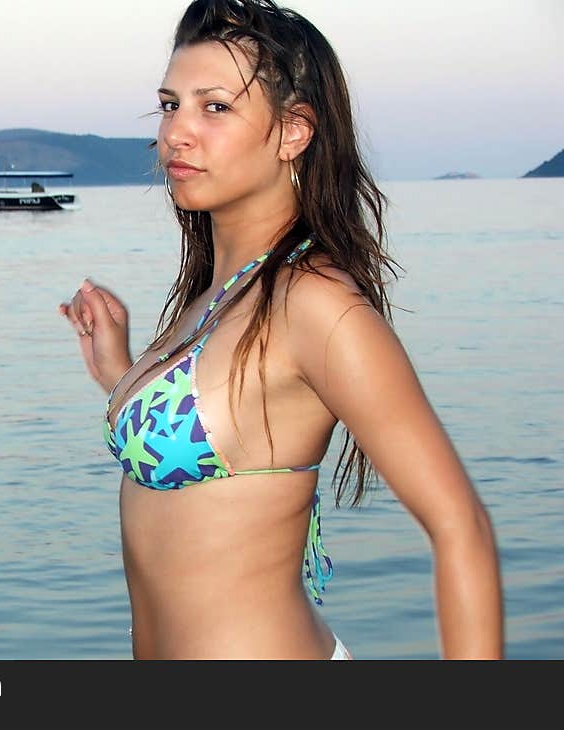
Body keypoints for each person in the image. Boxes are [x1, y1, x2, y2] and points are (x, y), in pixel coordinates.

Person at [58, 0, 503, 659]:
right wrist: (118, 370)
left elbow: (458, 525)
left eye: (214, 107)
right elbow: (222, 443)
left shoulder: (314, 302)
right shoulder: (218, 290)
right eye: (169, 104)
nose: (177, 132)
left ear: (293, 132)